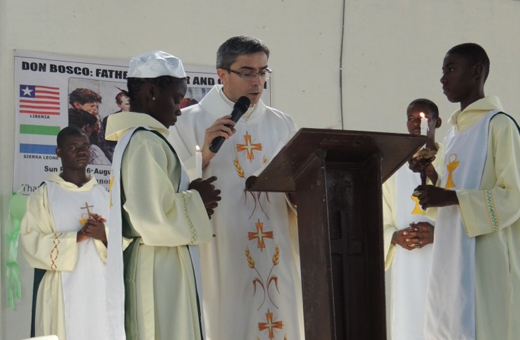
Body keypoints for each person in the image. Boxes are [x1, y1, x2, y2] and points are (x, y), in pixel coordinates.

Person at [169, 36, 304, 340]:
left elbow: (297, 188)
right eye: (247, 72)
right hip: (222, 245)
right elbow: (171, 186)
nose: (257, 81)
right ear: (222, 74)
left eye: (263, 72)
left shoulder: (282, 124)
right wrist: (204, 154)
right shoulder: (188, 122)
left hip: (275, 242)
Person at [105, 51, 221, 340]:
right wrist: (196, 198)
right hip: (158, 265)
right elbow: (150, 218)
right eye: (176, 99)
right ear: (152, 92)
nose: (180, 110)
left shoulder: (143, 138)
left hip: (162, 259)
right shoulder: (144, 141)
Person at [417, 43, 520, 340]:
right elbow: (454, 190)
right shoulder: (455, 132)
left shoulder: (500, 125)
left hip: (486, 259)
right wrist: (431, 180)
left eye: (451, 69)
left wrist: (450, 197)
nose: (443, 79)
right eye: (443, 71)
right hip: (450, 254)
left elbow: (513, 195)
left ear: (476, 72)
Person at [20, 126, 109, 340]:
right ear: (58, 152)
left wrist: (104, 234)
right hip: (61, 287)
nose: (81, 152)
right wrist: (75, 238)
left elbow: (123, 240)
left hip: (101, 285)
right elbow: (30, 241)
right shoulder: (43, 196)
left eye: (85, 147)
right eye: (73, 147)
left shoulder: (104, 195)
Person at [382, 98, 443, 340]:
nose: (416, 123)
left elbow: (463, 207)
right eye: (411, 119)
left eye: (423, 118)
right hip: (408, 270)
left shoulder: (452, 161)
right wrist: (396, 237)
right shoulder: (392, 168)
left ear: (436, 122)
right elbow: (381, 221)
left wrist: (438, 233)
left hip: (444, 261)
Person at [101, 91, 131, 161]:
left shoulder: (143, 117)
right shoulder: (110, 119)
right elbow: (109, 140)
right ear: (119, 105)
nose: (131, 106)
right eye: (127, 104)